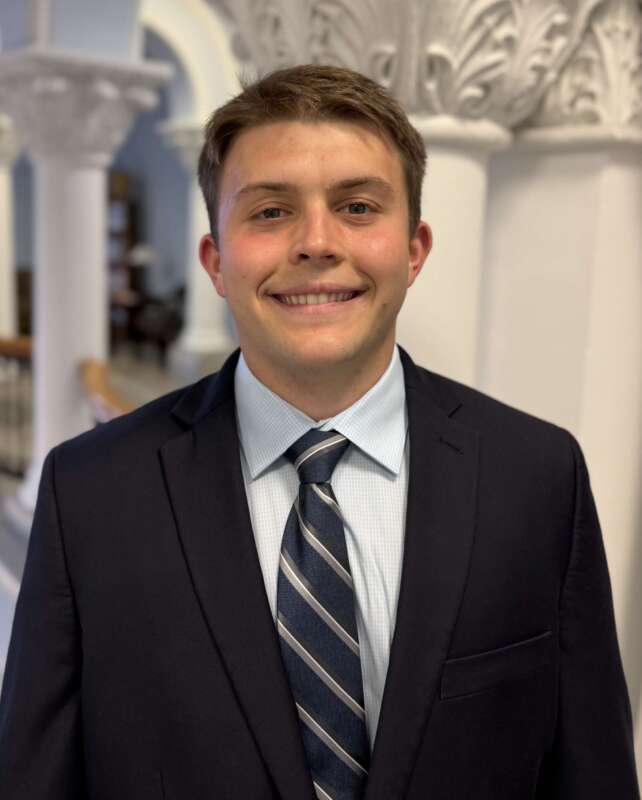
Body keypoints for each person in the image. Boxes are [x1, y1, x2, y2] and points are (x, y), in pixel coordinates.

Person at [0, 64, 638, 800]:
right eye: (270, 212)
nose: (316, 242)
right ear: (216, 260)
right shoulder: (92, 493)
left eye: (358, 207)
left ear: (414, 250)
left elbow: (592, 772)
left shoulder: (536, 476)